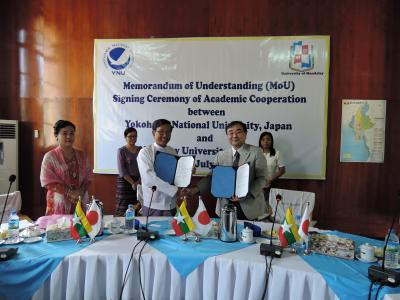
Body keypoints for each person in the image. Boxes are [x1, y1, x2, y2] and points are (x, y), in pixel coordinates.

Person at [194, 121, 268, 220]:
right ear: (227, 136)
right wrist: (194, 190)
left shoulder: (256, 152)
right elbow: (211, 177)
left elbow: (262, 178)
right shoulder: (221, 155)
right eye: (230, 132)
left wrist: (247, 194)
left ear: (245, 134)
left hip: (248, 205)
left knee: (247, 234)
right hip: (225, 205)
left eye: (238, 132)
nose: (234, 135)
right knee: (226, 234)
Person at [40, 120, 93, 215]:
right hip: (59, 201)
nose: (69, 136)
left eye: (72, 133)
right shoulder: (50, 157)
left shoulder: (82, 155)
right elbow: (47, 182)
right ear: (56, 136)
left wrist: (81, 191)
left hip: (80, 199)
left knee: (80, 228)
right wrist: (69, 193)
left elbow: (88, 177)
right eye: (65, 133)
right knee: (59, 228)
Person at [137, 119, 179, 216]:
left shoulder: (172, 151)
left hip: (171, 203)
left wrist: (187, 172)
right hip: (154, 205)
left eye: (168, 132)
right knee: (153, 231)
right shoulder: (145, 152)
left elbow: (176, 176)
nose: (165, 135)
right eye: (161, 132)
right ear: (153, 132)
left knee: (171, 231)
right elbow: (149, 178)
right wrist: (175, 191)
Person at [258, 131, 286, 219]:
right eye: (263, 139)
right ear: (260, 141)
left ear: (271, 141)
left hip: (269, 184)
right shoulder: (256, 152)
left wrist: (270, 179)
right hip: (255, 184)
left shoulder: (276, 153)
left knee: (267, 207)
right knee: (256, 207)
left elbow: (282, 170)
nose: (265, 141)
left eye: (268, 139)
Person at [115, 127, 142, 216]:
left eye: (135, 136)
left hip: (139, 182)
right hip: (125, 182)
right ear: (125, 137)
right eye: (130, 136)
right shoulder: (121, 150)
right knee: (124, 208)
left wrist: (138, 182)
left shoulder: (141, 150)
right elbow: (122, 170)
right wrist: (132, 183)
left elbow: (144, 167)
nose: (133, 138)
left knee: (138, 206)